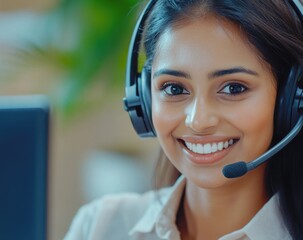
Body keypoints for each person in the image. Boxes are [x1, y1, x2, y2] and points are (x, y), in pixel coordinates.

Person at [64, 0, 303, 239]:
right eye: (174, 89)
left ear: (291, 98)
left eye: (233, 88)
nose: (198, 121)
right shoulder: (100, 226)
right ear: (144, 98)